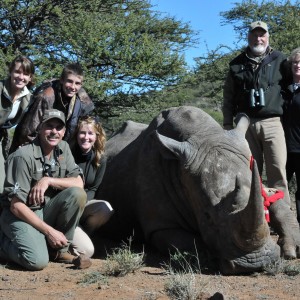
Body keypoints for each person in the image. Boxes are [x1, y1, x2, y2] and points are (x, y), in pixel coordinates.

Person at [0, 109, 91, 270]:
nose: (54, 132)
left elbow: (78, 183)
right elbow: (15, 206)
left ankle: (59, 251)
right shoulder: (23, 156)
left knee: (77, 194)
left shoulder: (63, 148)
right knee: (36, 261)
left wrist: (48, 180)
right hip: (20, 214)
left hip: (45, 210)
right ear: (40, 128)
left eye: (59, 128)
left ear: (64, 132)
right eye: (49, 126)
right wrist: (49, 232)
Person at [222, 20, 290, 204]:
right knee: (249, 171)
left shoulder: (280, 59)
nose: (258, 38)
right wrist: (228, 124)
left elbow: (291, 87)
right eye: (254, 34)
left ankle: (282, 217)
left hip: (273, 122)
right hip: (245, 124)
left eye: (262, 35)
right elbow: (228, 97)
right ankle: (254, 218)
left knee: (278, 172)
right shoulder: (236, 64)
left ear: (268, 37)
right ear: (248, 36)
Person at [10, 62, 94, 153]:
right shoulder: (46, 96)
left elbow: (86, 129)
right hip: (33, 149)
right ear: (62, 80)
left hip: (60, 151)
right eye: (69, 81)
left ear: (81, 85)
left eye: (77, 83)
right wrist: (33, 154)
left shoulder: (82, 102)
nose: (73, 87)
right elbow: (27, 132)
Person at [70, 116, 114, 257]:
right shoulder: (67, 153)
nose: (86, 137)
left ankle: (85, 234)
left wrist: (81, 204)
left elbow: (94, 188)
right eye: (82, 133)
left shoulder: (100, 159)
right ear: (76, 135)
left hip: (82, 204)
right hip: (64, 205)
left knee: (105, 208)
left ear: (97, 136)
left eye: (90, 133)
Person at [0, 55, 35, 193]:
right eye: (17, 72)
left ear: (30, 77)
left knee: (2, 186)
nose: (21, 77)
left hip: (1, 139)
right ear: (10, 72)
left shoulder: (28, 98)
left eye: (26, 74)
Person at [282, 47, 300, 223]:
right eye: (295, 62)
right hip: (283, 148)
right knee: (280, 187)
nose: (298, 65)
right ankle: (282, 224)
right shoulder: (285, 90)